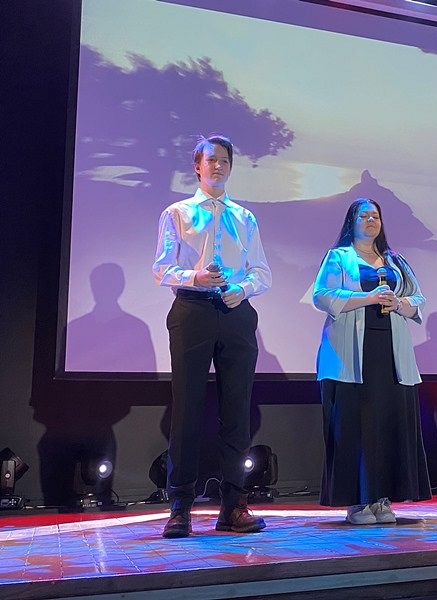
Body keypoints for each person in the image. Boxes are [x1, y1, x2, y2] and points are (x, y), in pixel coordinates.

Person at [153, 135, 272, 537]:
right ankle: (180, 507)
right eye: (211, 160)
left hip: (236, 312)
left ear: (230, 167)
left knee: (236, 412)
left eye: (224, 160)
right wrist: (196, 277)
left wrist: (243, 288)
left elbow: (261, 272)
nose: (218, 165)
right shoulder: (178, 212)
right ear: (197, 166)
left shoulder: (245, 218)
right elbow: (162, 268)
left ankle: (233, 505)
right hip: (192, 309)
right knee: (187, 407)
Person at [313, 198, 431, 525]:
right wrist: (369, 298)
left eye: (375, 216)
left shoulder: (395, 260)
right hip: (350, 355)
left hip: (390, 352)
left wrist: (398, 303)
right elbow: (321, 295)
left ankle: (382, 498)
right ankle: (357, 502)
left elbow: (418, 298)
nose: (370, 220)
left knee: (387, 423)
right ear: (351, 222)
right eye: (363, 216)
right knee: (356, 425)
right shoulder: (339, 257)